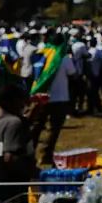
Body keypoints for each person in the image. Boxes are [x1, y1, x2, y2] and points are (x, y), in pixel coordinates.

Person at [32, 34, 76, 165]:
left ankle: (29, 153)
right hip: (59, 98)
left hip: (41, 96)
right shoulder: (63, 57)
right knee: (54, 129)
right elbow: (73, 73)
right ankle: (45, 155)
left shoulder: (43, 54)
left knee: (36, 128)